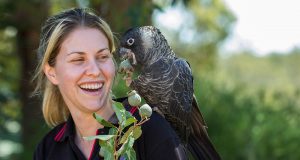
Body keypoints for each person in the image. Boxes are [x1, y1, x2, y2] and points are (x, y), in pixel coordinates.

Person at [33, 8, 188, 160]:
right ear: (52, 73)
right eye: (78, 60)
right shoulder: (47, 150)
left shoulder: (151, 131)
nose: (95, 71)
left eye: (102, 56)